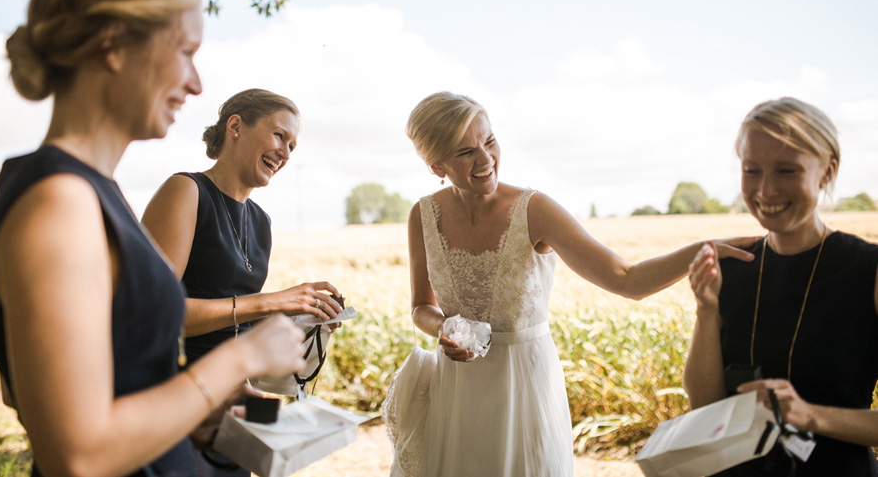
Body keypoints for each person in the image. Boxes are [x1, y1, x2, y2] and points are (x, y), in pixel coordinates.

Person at [0, 0, 305, 477]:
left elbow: (117, 383)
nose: (195, 83)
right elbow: (76, 455)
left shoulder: (93, 193)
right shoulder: (58, 203)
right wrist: (241, 359)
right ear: (112, 44)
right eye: (185, 52)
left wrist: (201, 411)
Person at [396, 91, 757, 477]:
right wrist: (444, 328)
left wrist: (703, 251)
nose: (486, 160)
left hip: (525, 387)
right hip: (456, 390)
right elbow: (421, 306)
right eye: (466, 152)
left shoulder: (534, 210)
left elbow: (627, 279)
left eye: (489, 141)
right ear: (437, 165)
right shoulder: (423, 216)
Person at [141, 89, 344, 475]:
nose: (285, 152)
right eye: (279, 136)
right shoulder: (185, 191)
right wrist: (272, 301)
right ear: (235, 125)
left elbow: (235, 321)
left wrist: (302, 321)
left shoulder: (262, 223)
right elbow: (155, 317)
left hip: (235, 402)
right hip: (177, 401)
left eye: (293, 145)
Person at [684, 97, 878, 476]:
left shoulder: (868, 270)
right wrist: (706, 310)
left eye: (786, 171)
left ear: (827, 172)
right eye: (751, 170)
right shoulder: (732, 270)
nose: (766, 190)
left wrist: (810, 416)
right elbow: (705, 406)